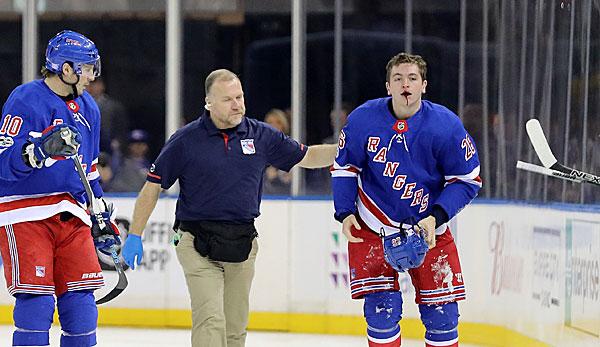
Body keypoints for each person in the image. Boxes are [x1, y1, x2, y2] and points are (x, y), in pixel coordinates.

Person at [121, 69, 337, 347]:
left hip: (242, 243)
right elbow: (152, 187)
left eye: (240, 97)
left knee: (234, 330)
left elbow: (307, 156)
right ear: (208, 102)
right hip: (195, 242)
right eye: (227, 99)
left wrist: (346, 148)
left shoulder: (260, 135)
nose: (237, 104)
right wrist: (136, 234)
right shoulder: (186, 140)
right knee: (211, 320)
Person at [331, 53, 482, 347]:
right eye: (398, 79)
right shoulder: (363, 119)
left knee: (443, 317)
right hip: (373, 228)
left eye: (412, 78)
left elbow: (467, 180)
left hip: (430, 232)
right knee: (380, 313)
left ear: (424, 85)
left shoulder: (445, 125)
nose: (405, 85)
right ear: (388, 86)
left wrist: (435, 217)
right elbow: (344, 167)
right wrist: (345, 211)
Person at [0, 30, 120, 347]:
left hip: (73, 214)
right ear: (66, 69)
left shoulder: (89, 109)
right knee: (36, 304)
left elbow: (90, 173)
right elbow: (3, 164)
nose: (93, 75)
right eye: (88, 68)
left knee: (81, 307)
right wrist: (38, 151)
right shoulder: (25, 99)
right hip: (25, 211)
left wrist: (101, 216)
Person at [263, 108, 293, 194]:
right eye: (270, 122)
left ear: (284, 125)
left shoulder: (291, 148)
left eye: (278, 122)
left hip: (285, 194)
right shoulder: (258, 147)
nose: (274, 125)